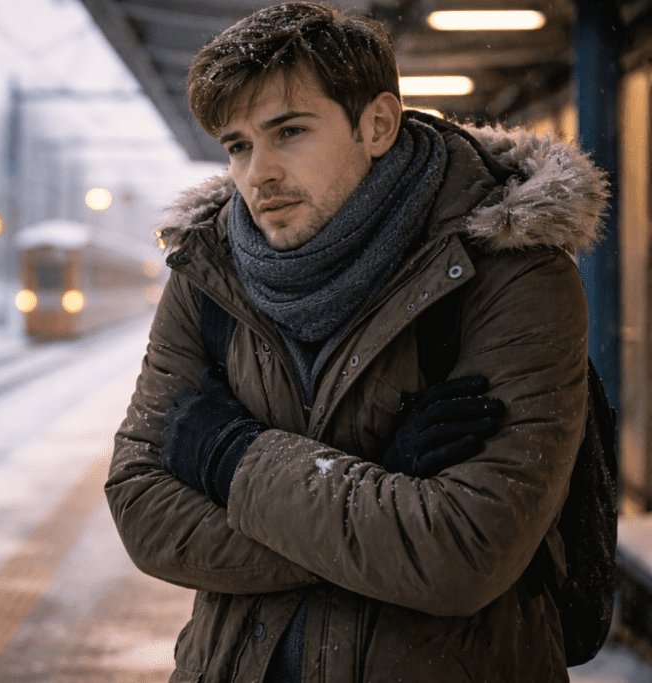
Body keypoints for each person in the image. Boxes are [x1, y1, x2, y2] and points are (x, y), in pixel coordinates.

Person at [107, 3, 611, 682]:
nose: (258, 174)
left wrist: (229, 457)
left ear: (376, 125)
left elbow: (464, 553)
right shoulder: (208, 272)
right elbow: (141, 508)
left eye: (289, 131)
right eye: (238, 145)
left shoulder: (509, 270)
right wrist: (382, 488)